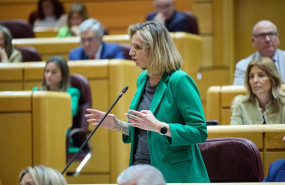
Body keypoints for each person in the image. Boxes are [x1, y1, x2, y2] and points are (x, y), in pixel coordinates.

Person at [85, 21, 209, 183]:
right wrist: (117, 125)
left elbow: (200, 132)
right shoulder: (143, 79)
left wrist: (160, 127)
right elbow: (145, 131)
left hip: (173, 173)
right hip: (140, 169)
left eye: (137, 47)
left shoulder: (179, 81)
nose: (130, 52)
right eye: (132, 46)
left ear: (155, 49)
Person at [231, 57, 285, 125]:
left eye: (261, 75)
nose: (255, 80)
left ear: (273, 80)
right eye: (251, 76)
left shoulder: (283, 103)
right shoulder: (240, 104)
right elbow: (234, 134)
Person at [233, 20, 285, 85]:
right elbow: (239, 92)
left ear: (278, 38)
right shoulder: (243, 66)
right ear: (253, 41)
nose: (268, 39)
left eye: (271, 34)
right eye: (262, 35)